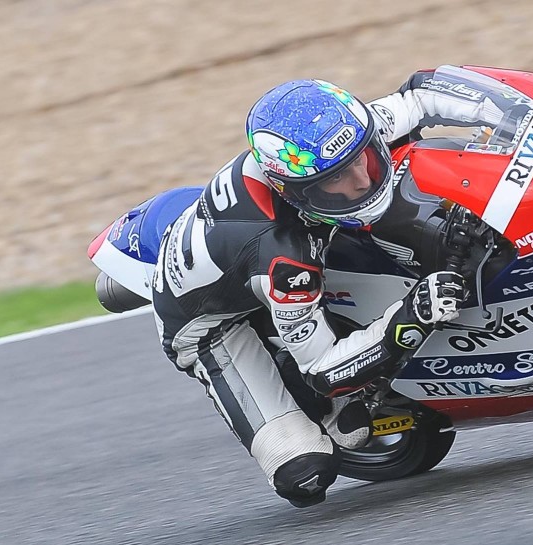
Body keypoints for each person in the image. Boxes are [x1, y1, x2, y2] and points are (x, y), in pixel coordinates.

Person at [151, 68, 509, 508]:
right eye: (336, 180)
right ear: (294, 190)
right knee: (305, 475)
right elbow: (321, 368)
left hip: (283, 244)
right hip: (210, 326)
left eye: (364, 159)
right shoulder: (282, 257)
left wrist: (506, 113)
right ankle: (317, 417)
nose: (361, 180)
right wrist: (413, 313)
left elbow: (419, 98)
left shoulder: (339, 140)